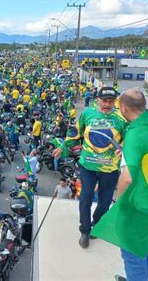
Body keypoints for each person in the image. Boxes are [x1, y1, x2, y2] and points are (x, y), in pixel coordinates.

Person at [92, 89, 148, 281]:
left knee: (131, 253)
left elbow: (127, 178)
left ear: (123, 107)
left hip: (139, 204)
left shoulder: (136, 133)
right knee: (143, 247)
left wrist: (119, 203)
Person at [55, 86, 127, 249]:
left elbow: (128, 140)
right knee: (85, 197)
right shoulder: (87, 114)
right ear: (97, 101)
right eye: (104, 101)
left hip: (109, 169)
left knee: (105, 202)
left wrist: (124, 148)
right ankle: (85, 231)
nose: (107, 104)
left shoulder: (122, 119)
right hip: (87, 165)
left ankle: (97, 223)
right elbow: (76, 133)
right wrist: (63, 145)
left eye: (110, 101)